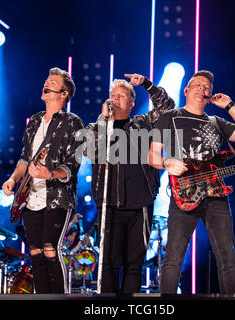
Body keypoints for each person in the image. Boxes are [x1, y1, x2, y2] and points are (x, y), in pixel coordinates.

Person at [148, 70, 235, 294]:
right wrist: (167, 163)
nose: (202, 88)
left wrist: (230, 106)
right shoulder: (171, 117)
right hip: (184, 193)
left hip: (216, 194)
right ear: (186, 90)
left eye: (207, 86)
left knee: (227, 257)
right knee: (173, 259)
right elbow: (152, 156)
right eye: (197, 84)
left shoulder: (217, 122)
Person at [83, 73, 175, 293]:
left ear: (132, 103)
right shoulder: (96, 126)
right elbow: (89, 151)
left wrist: (146, 84)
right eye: (112, 95)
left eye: (121, 96)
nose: (115, 99)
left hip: (139, 204)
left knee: (134, 265)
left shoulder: (142, 123)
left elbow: (168, 108)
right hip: (108, 206)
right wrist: (104, 120)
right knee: (108, 264)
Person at [2, 67, 84, 294]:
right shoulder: (35, 121)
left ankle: (60, 298)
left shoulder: (73, 122)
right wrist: (13, 179)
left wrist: (49, 174)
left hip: (57, 196)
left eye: (52, 83)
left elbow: (73, 164)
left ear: (64, 93)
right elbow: (25, 157)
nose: (46, 85)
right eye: (46, 81)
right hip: (30, 196)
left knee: (50, 248)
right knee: (35, 251)